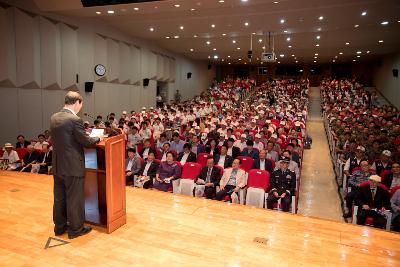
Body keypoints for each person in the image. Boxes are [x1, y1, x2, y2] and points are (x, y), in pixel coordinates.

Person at [50, 91, 101, 239]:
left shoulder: (54, 117)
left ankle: (59, 228)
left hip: (58, 165)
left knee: (59, 198)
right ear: (77, 102)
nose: (80, 107)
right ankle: (75, 230)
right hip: (72, 166)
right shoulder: (74, 119)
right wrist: (98, 137)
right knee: (74, 198)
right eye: (81, 104)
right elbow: (86, 141)